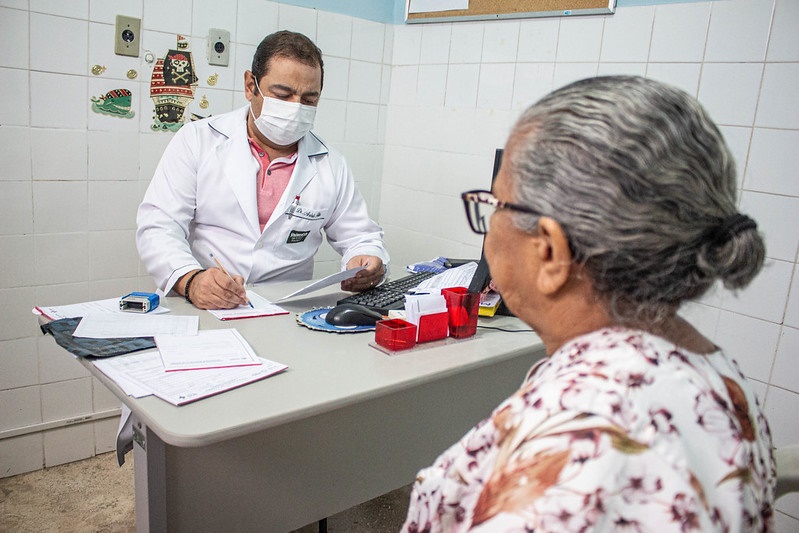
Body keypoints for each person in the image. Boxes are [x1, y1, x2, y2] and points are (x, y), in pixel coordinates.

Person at [403, 76, 775, 531]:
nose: (490, 222)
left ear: (550, 252)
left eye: (497, 204)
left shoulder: (573, 454)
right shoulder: (714, 372)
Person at [136, 31, 388, 309]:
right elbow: (159, 225)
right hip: (203, 304)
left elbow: (360, 236)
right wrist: (191, 280)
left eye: (308, 100)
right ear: (250, 86)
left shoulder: (330, 164)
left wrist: (367, 258)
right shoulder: (198, 140)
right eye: (282, 95)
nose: (295, 108)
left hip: (284, 309)